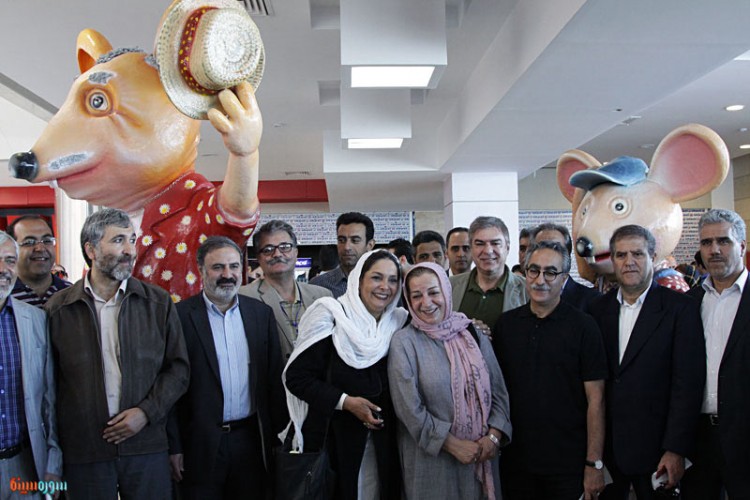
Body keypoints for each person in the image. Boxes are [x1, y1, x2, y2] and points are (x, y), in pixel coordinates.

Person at [45, 208, 190, 499]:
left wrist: (146, 413)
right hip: (86, 452)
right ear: (91, 250)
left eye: (132, 240)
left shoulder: (157, 303)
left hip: (146, 445)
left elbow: (178, 370)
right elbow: (49, 385)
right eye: (118, 240)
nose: (130, 251)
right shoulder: (59, 309)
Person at [587, 225, 705, 500]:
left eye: (637, 254)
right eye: (621, 255)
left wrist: (675, 448)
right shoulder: (596, 311)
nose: (629, 262)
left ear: (653, 257)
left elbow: (687, 385)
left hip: (658, 451)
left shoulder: (680, 309)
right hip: (609, 451)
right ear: (612, 260)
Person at [169, 237, 287, 499]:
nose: (227, 275)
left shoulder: (260, 315)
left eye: (234, 266)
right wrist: (173, 446)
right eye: (217, 267)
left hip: (251, 443)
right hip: (198, 445)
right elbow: (171, 389)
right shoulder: (179, 317)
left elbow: (273, 382)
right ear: (201, 271)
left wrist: (279, 440)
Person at [284, 250, 408, 499]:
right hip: (334, 443)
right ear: (358, 280)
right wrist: (345, 402)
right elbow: (297, 378)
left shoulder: (399, 321)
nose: (385, 287)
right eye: (376, 277)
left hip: (383, 444)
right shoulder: (330, 316)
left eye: (393, 280)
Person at [494, 241, 607, 500]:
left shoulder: (584, 327)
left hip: (567, 463)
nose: (540, 280)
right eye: (533, 270)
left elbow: (596, 399)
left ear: (564, 278)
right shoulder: (507, 325)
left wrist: (594, 463)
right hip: (516, 461)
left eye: (550, 272)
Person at [389, 262, 512, 500]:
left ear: (446, 291)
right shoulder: (404, 342)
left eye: (433, 292)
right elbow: (409, 410)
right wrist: (453, 445)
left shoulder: (471, 332)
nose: (426, 303)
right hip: (433, 462)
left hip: (481, 456)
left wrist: (494, 437)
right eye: (416, 296)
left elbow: (499, 392)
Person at [682, 209, 750, 499]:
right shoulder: (689, 303)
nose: (714, 250)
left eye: (724, 241)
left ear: (742, 247)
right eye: (706, 242)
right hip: (698, 440)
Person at [0, 232, 62, 498]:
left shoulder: (36, 320)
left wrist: (53, 465)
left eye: (9, 260)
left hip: (26, 466)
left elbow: (50, 399)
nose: (3, 269)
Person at [239, 220, 332, 360]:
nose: (277, 254)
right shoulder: (244, 297)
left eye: (285, 247)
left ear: (296, 252)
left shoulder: (322, 296)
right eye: (268, 249)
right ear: (259, 258)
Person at [450, 216, 528, 335]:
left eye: (495, 243)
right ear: (471, 249)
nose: (488, 251)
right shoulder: (449, 286)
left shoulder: (527, 289)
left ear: (507, 247)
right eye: (480, 244)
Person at [531, 222, 600, 312]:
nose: (547, 254)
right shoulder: (522, 295)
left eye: (556, 248)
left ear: (568, 256)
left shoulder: (592, 301)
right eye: (541, 248)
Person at [7, 215, 70, 307]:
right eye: (29, 242)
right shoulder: (3, 295)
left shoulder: (72, 294)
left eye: (47, 241)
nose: (40, 248)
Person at [310, 212, 375, 298]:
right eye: (341, 240)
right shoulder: (318, 285)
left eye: (355, 240)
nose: (347, 247)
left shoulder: (382, 285)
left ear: (370, 245)